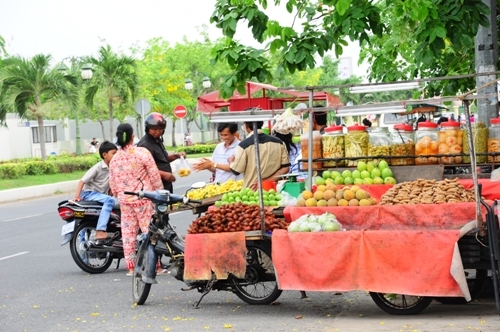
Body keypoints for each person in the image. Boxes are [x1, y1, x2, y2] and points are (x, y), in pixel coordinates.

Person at [109, 123, 163, 276]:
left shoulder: (115, 159)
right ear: (132, 136)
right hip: (144, 199)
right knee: (150, 231)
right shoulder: (142, 153)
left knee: (128, 234)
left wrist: (119, 195)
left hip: (125, 202)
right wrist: (160, 193)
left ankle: (131, 267)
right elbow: (154, 175)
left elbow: (112, 183)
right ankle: (156, 266)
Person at [73, 141, 118, 243]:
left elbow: (111, 188)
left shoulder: (114, 169)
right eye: (113, 153)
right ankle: (100, 231)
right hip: (89, 194)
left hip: (100, 196)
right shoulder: (98, 167)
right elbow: (82, 181)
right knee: (110, 201)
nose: (116, 155)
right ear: (105, 155)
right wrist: (77, 196)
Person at [229, 121, 290, 189]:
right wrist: (267, 181)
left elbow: (236, 171)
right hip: (274, 190)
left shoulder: (243, 145)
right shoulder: (279, 142)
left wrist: (231, 161)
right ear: (262, 123)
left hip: (252, 191)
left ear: (246, 126)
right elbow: (285, 168)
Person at [137, 112, 186, 194]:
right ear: (148, 129)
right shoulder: (145, 145)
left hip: (165, 184)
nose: (158, 132)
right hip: (154, 187)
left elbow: (163, 158)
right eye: (154, 129)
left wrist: (177, 156)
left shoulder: (157, 140)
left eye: (160, 129)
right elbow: (143, 168)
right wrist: (164, 175)